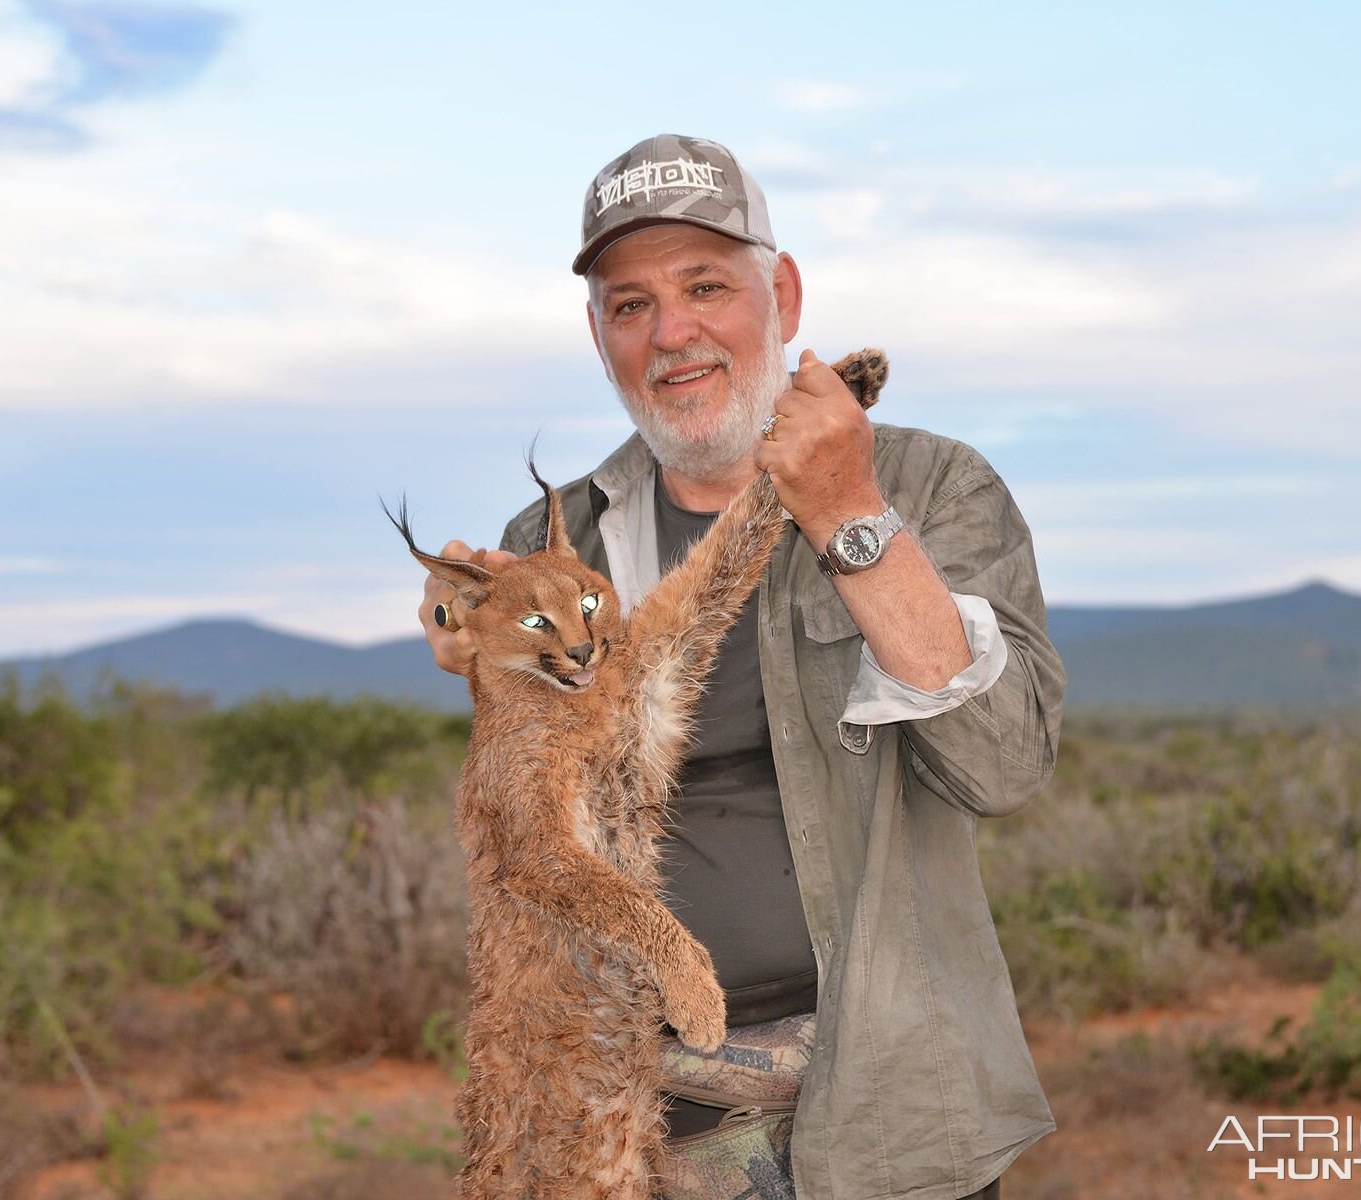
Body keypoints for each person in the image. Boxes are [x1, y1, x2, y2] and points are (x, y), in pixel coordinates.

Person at [418, 134, 1064, 1200]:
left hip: (890, 1107)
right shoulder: (553, 535)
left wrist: (851, 512)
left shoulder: (935, 485)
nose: (672, 333)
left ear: (785, 294)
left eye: (705, 285)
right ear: (598, 336)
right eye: (630, 306)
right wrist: (462, 629)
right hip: (633, 1115)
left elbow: (1002, 768)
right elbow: (528, 822)